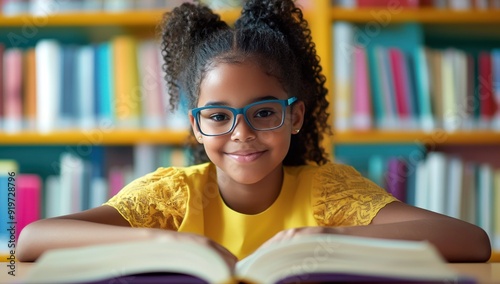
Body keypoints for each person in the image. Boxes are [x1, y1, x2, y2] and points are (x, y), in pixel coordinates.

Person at [17, 0, 490, 264]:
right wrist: (165, 241)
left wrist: (328, 237)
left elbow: (471, 241)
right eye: (219, 117)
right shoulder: (171, 198)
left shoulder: (327, 192)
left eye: (263, 113)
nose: (241, 133)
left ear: (296, 116)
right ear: (196, 127)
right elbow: (35, 238)